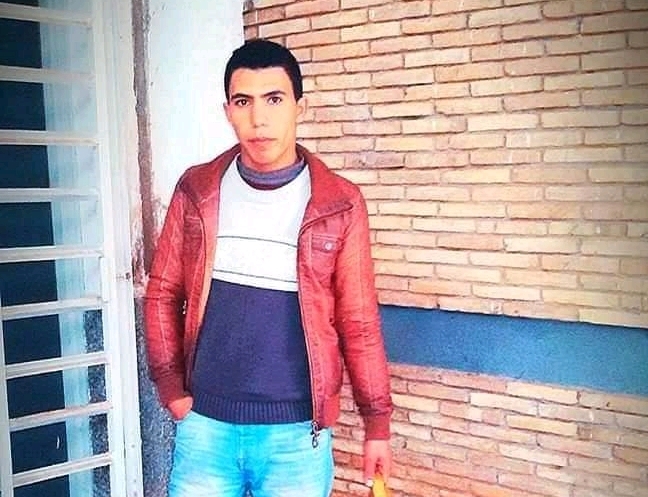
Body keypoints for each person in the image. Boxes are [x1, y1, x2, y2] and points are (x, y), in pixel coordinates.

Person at [144, 38, 393, 497]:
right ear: (228, 111)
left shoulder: (339, 203)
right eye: (244, 102)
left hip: (296, 437)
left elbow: (358, 320)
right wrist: (172, 391)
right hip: (205, 429)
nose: (259, 118)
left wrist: (376, 422)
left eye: (274, 99)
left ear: (300, 107)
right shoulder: (198, 190)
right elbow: (162, 292)